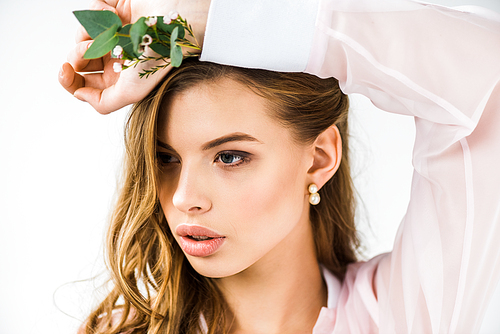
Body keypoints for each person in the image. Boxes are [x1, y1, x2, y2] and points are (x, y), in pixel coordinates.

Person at [59, 0, 500, 333]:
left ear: (320, 158)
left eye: (230, 156)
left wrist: (199, 18)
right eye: (166, 158)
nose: (183, 198)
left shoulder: (401, 317)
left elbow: (487, 74)